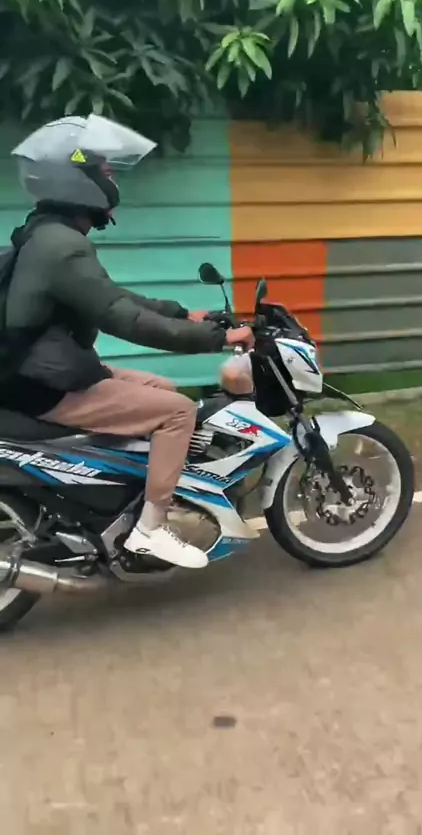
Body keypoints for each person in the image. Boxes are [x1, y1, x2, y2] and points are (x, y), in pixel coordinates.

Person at [4, 114, 254, 569]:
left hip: (44, 368)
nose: (111, 179)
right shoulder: (62, 245)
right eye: (102, 170)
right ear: (74, 180)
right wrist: (216, 337)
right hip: (45, 384)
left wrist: (183, 314)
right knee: (178, 412)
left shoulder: (46, 234)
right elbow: (125, 319)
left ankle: (125, 497)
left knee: (161, 388)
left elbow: (111, 296)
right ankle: (150, 529)